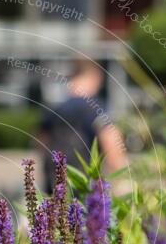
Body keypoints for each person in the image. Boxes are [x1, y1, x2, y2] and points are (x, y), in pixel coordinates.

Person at [39, 59, 128, 191]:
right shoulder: (96, 107)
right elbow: (110, 142)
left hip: (55, 186)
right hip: (85, 188)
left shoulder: (55, 108)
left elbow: (40, 142)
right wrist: (124, 177)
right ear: (97, 76)